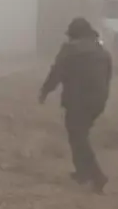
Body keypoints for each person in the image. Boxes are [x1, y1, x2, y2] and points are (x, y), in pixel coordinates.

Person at [39, 17, 113, 193]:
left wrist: (45, 91)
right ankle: (82, 172)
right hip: (98, 101)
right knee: (79, 134)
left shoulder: (69, 50)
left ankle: (97, 176)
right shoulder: (102, 51)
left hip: (77, 100)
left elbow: (56, 73)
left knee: (78, 137)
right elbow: (108, 76)